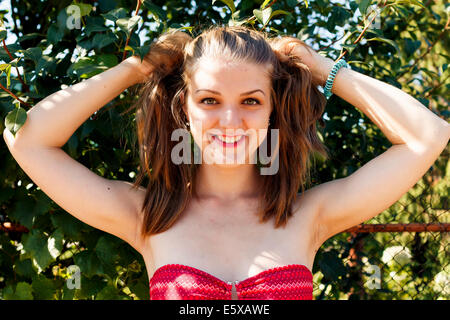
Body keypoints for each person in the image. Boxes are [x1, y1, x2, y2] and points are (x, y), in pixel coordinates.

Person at [3, 24, 449, 300]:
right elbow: (27, 139)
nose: (230, 121)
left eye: (251, 100)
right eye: (210, 100)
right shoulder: (147, 216)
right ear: (185, 108)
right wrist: (136, 67)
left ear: (274, 108)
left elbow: (428, 135)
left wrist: (319, 66)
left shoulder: (309, 215)